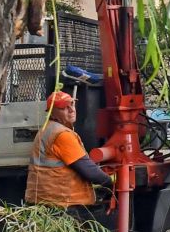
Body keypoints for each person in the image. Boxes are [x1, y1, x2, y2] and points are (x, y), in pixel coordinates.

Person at [26, 90, 112, 220]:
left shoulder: (47, 129)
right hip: (63, 202)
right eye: (64, 107)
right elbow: (89, 171)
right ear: (52, 112)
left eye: (72, 104)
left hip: (47, 200)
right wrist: (110, 183)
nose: (71, 110)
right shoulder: (62, 135)